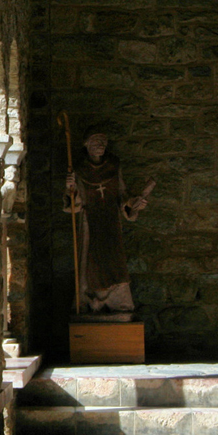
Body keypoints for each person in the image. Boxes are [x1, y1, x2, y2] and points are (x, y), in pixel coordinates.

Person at [64, 131, 151, 313]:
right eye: (96, 142)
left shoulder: (113, 165)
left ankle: (119, 302)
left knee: (115, 260)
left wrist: (133, 203)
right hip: (90, 221)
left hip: (111, 220)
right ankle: (89, 301)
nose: (100, 146)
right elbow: (75, 203)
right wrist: (70, 188)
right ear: (87, 145)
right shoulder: (79, 169)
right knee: (90, 260)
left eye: (103, 142)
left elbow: (121, 194)